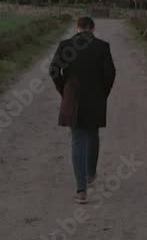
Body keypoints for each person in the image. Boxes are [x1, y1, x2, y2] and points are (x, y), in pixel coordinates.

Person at [49, 17, 116, 204]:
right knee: (92, 134)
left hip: (73, 96)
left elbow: (54, 70)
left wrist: (63, 89)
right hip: (95, 97)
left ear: (77, 28)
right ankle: (90, 173)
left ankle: (81, 190)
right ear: (92, 28)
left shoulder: (65, 45)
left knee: (77, 139)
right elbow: (110, 73)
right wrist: (103, 92)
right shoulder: (102, 46)